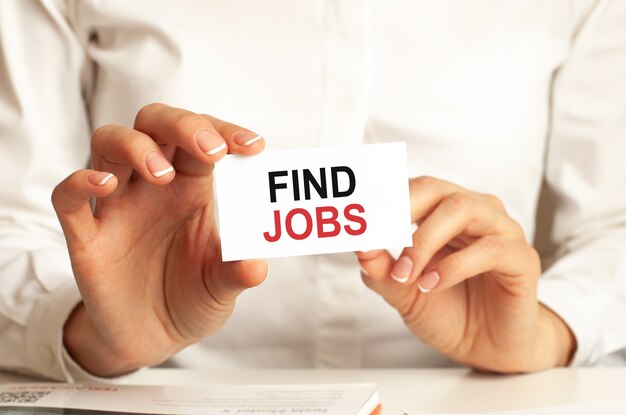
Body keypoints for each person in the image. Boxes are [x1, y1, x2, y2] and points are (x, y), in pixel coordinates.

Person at [1, 0, 625, 381]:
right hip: (138, 393)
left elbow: (616, 226)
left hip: (486, 394)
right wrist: (90, 329)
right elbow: (9, 224)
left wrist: (548, 330)